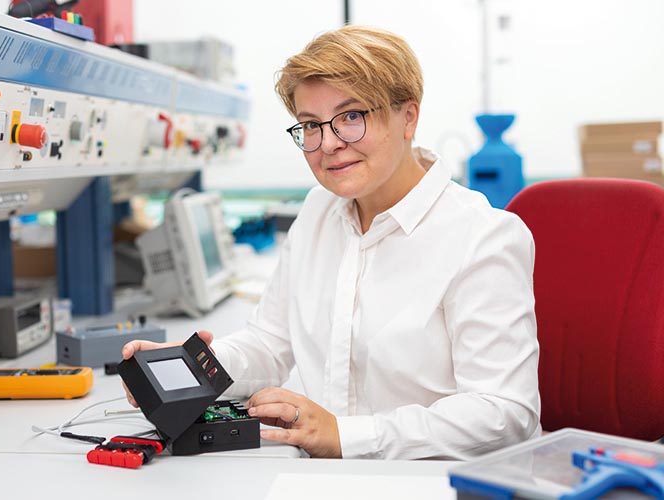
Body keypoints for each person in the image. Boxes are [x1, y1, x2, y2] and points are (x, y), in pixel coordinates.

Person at [122, 25, 540, 460]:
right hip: (328, 477)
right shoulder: (318, 212)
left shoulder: (483, 237)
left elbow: (504, 411)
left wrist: (344, 435)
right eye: (310, 125)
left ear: (408, 117)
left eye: (352, 116)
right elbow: (269, 341)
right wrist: (193, 367)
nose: (330, 144)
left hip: (436, 481)